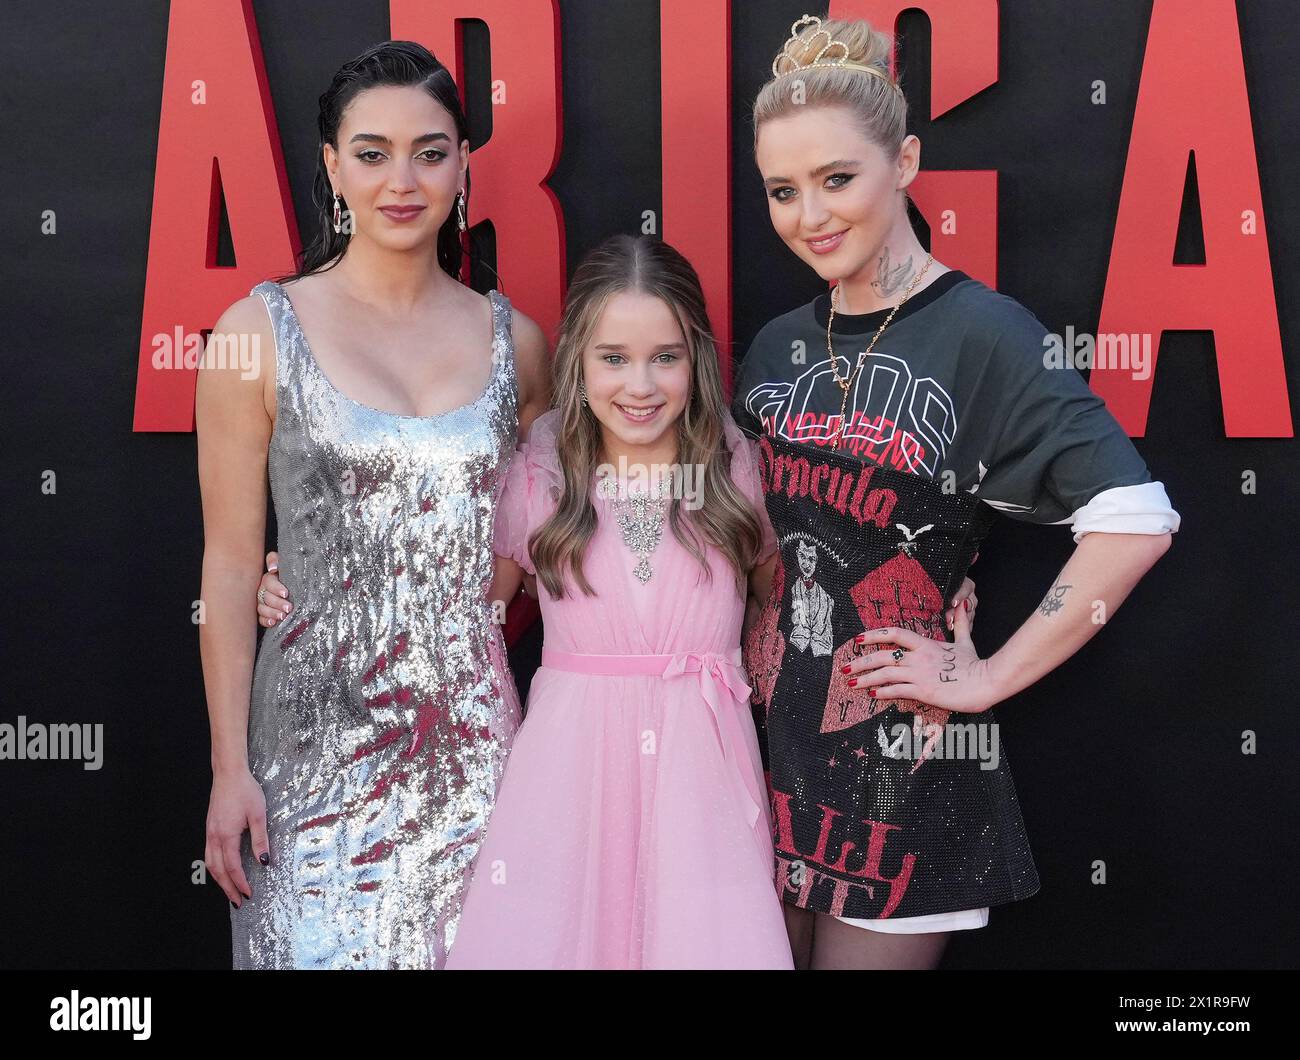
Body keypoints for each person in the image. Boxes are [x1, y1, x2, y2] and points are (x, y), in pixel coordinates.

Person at [734, 14, 1181, 970]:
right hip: (765, 762)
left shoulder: (986, 335)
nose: (809, 214)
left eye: (836, 179)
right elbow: (758, 539)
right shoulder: (776, 346)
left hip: (906, 775)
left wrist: (983, 676)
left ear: (905, 162)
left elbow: (1134, 522)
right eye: (783, 189)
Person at [195, 40, 548, 969]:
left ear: (464, 163)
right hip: (307, 759)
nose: (403, 179)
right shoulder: (251, 334)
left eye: (431, 152)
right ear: (330, 166)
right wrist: (230, 769)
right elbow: (230, 565)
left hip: (475, 761)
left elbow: (553, 537)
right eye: (372, 152)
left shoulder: (521, 345)